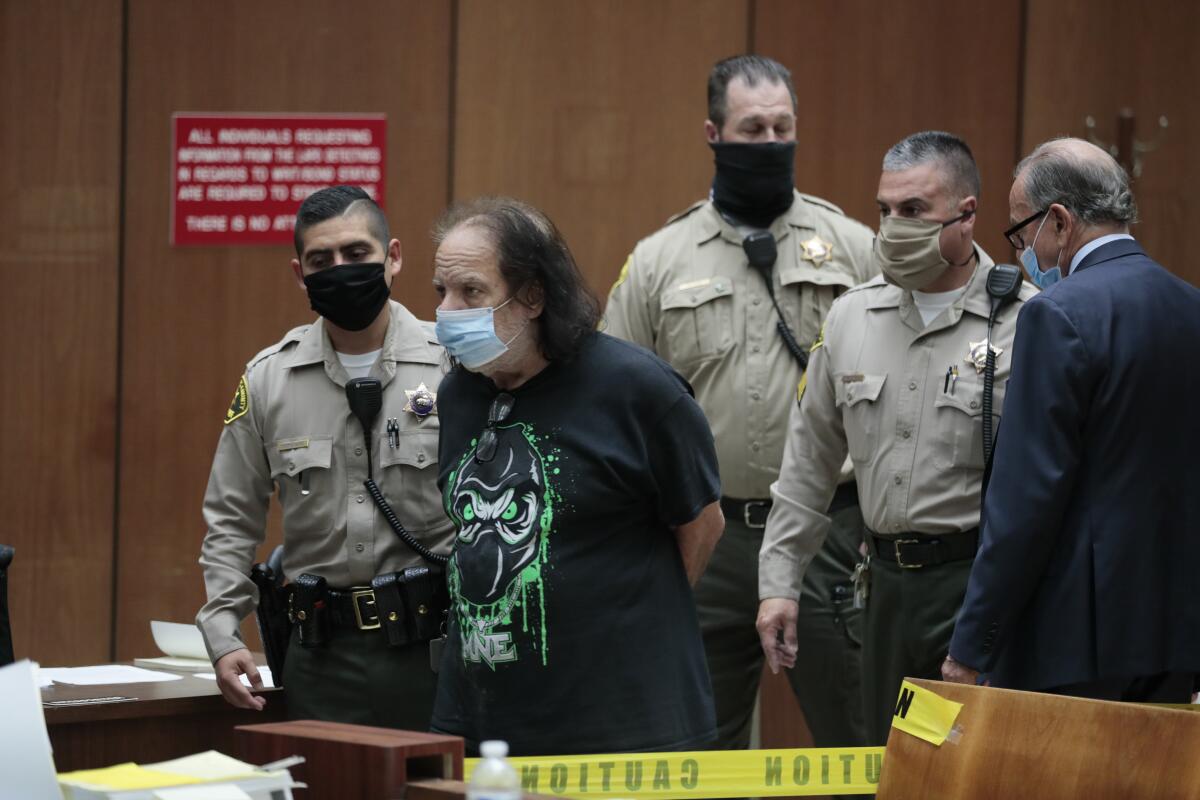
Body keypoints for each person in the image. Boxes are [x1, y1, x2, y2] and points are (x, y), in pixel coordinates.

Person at [604, 54, 876, 750]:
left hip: (826, 536)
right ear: (713, 133)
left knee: (860, 744)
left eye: (783, 127)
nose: (770, 143)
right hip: (706, 537)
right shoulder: (660, 259)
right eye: (752, 128)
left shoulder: (852, 249)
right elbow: (610, 408)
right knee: (697, 749)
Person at [757, 131, 1038, 745]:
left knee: (966, 767)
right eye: (885, 210)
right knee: (891, 762)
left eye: (913, 211)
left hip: (975, 587)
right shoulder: (851, 316)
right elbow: (807, 466)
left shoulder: (1027, 321)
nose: (892, 226)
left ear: (967, 216)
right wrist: (779, 584)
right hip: (882, 586)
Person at [428, 196, 724, 756]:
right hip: (483, 714)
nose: (448, 310)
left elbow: (703, 524)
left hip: (619, 720)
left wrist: (623, 624)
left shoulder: (636, 388)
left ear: (534, 295)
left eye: (471, 291)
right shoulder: (459, 392)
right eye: (441, 291)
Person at [944, 138, 1200, 700]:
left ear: (1058, 221)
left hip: (1075, 642)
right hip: (1177, 635)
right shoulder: (1190, 306)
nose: (1019, 254)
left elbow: (1025, 500)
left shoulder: (1055, 315)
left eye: (1019, 233)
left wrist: (971, 646)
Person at [196, 185, 453, 728]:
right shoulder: (268, 380)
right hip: (321, 657)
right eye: (321, 260)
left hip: (435, 653)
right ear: (300, 273)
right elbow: (230, 518)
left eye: (357, 254)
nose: (340, 269)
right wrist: (222, 637)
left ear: (394, 257)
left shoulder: (453, 368)